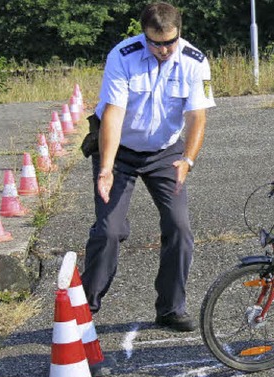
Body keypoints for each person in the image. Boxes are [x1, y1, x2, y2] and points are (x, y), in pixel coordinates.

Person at [81, 2, 215, 332]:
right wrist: (107, 168)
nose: (164, 49)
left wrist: (188, 159)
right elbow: (112, 113)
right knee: (109, 230)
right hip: (119, 150)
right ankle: (85, 308)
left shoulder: (195, 62)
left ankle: (170, 307)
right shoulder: (122, 56)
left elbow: (197, 116)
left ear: (179, 32)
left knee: (179, 227)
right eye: (156, 43)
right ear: (144, 35)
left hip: (165, 154)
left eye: (170, 41)